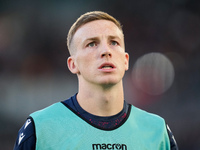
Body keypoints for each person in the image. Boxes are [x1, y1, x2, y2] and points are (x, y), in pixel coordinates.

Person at [14, 11, 178, 150]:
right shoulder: (40, 129)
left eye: (114, 42)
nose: (106, 51)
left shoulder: (157, 131)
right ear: (73, 64)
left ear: (126, 60)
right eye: (92, 44)